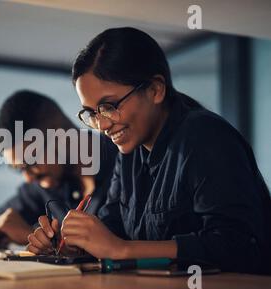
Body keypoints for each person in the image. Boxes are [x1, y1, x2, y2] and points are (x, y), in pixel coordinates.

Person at [27, 27, 271, 274]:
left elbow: (238, 247)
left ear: (156, 89)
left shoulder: (206, 136)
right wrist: (74, 244)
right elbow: (112, 229)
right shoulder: (129, 150)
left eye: (109, 106)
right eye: (91, 113)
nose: (101, 125)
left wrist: (122, 250)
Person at [0, 90, 118, 250]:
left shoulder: (124, 163)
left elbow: (119, 249)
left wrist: (31, 236)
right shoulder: (44, 184)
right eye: (19, 169)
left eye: (31, 162)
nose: (28, 178)